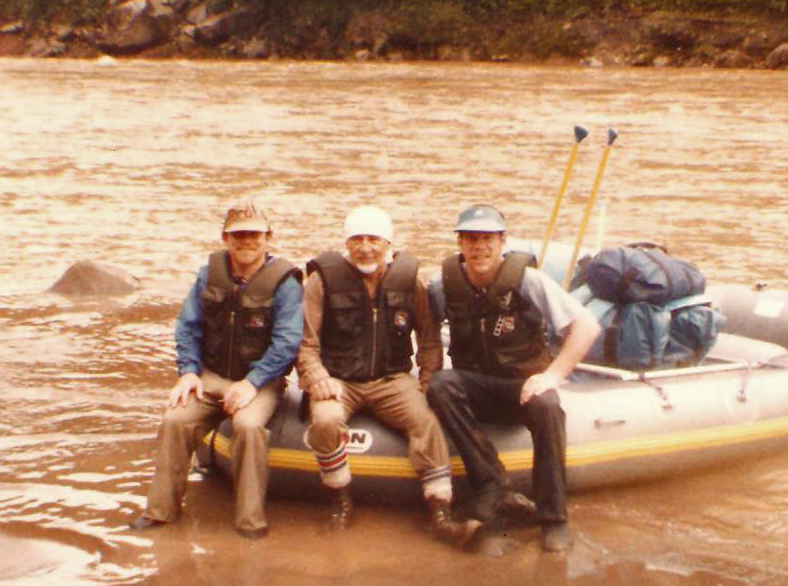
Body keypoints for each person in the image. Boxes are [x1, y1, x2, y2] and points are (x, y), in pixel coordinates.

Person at [295, 205, 482, 548]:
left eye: (373, 239)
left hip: (391, 379)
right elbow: (306, 344)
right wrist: (317, 377)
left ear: (388, 244)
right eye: (357, 239)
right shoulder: (321, 281)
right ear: (346, 244)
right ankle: (340, 500)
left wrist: (427, 382)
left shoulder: (410, 281)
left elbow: (428, 338)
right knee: (325, 420)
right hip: (339, 379)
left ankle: (440, 514)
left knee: (426, 423)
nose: (365, 247)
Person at [426, 204, 601, 553]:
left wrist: (552, 376)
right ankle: (492, 486)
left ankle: (553, 518)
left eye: (487, 238)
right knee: (440, 384)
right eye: (471, 239)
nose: (479, 247)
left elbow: (587, 326)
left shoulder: (528, 280)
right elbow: (426, 335)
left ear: (502, 241)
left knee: (549, 406)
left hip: (523, 385)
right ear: (460, 243)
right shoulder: (441, 286)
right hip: (476, 385)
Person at [130, 198, 303, 539]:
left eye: (254, 234)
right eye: (238, 235)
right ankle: (160, 511)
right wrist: (189, 372)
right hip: (210, 377)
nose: (246, 242)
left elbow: (287, 343)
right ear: (225, 239)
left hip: (261, 380)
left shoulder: (286, 283)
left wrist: (252, 383)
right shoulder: (208, 275)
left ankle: (250, 520)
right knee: (174, 419)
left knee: (249, 426)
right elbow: (187, 327)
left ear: (268, 237)